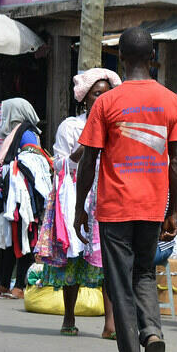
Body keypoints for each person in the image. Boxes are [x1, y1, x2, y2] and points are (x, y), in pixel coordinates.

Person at [74, 27, 177, 352]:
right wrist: (172, 210)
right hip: (153, 205)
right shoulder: (170, 100)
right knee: (143, 272)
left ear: (121, 58)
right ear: (152, 57)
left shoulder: (106, 103)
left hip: (115, 208)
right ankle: (152, 333)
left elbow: (89, 160)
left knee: (118, 282)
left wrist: (81, 206)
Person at [42, 69, 122, 338]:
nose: (101, 99)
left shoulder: (119, 126)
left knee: (108, 260)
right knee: (74, 258)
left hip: (108, 196)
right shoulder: (71, 127)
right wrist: (82, 150)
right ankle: (68, 316)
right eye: (96, 94)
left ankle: (110, 323)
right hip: (77, 197)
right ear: (85, 99)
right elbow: (58, 164)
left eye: (106, 94)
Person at [0, 98, 44, 299]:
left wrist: (6, 170)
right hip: (8, 197)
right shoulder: (14, 135)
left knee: (22, 241)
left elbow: (32, 163)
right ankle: (3, 284)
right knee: (5, 242)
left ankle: (19, 288)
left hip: (21, 198)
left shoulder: (27, 134)